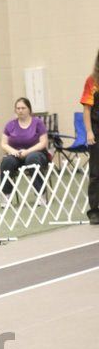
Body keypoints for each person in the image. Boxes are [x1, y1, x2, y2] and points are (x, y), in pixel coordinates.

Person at [0, 97, 49, 205]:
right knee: (7, 162)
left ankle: (40, 194)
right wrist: (13, 151)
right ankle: (6, 195)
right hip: (16, 154)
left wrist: (27, 151)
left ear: (29, 109)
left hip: (36, 153)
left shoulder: (38, 123)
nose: (20, 110)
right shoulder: (10, 125)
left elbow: (43, 142)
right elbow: (3, 144)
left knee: (32, 159)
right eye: (18, 108)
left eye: (23, 108)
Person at [80, 50, 99, 225]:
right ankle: (94, 210)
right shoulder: (91, 81)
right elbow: (86, 109)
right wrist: (89, 131)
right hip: (96, 128)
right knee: (95, 172)